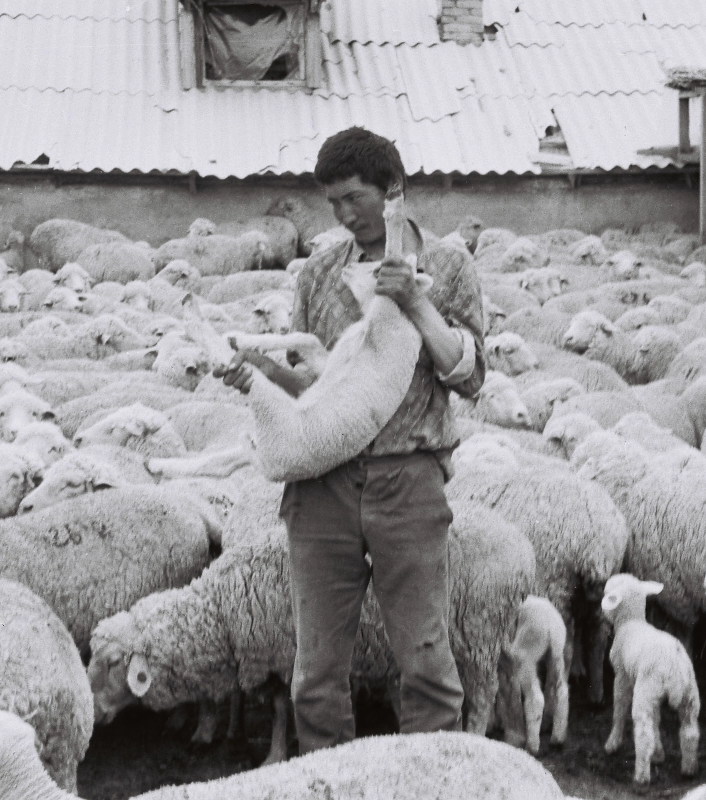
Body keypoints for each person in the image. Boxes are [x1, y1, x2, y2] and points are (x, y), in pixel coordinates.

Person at [213, 127, 486, 754]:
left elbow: (470, 376)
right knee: (315, 672)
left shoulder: (446, 266)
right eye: (333, 202)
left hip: (408, 478)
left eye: (355, 198)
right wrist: (256, 375)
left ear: (393, 191)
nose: (343, 215)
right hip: (322, 484)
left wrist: (417, 305)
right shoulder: (320, 272)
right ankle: (328, 780)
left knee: (424, 661)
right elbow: (316, 383)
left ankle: (430, 782)